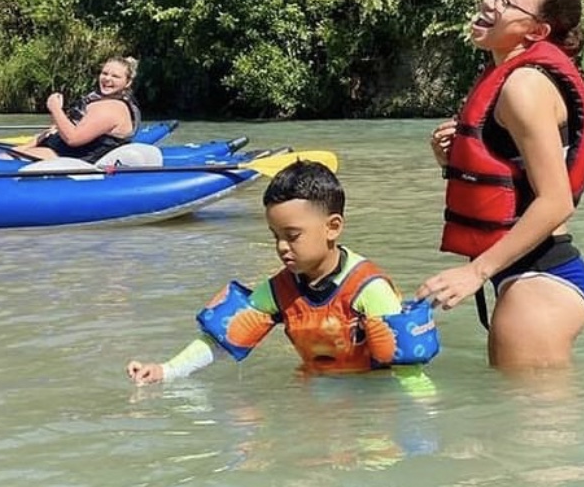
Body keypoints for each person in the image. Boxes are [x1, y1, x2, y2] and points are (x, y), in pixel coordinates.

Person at [418, 0, 584, 370]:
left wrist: (475, 273)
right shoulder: (506, 76)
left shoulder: (523, 88)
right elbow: (517, 184)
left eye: (506, 0)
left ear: (536, 33)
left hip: (540, 281)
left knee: (532, 428)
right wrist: (456, 162)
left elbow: (556, 201)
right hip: (529, 276)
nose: (488, 1)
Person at [127, 160, 439, 383]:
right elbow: (224, 339)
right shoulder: (279, 290)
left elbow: (409, 373)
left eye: (292, 235)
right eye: (275, 235)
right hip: (313, 390)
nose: (281, 247)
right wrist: (166, 371)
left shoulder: (369, 289)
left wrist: (422, 421)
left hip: (371, 398)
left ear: (333, 228)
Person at [15, 55, 141, 163]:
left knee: (8, 159)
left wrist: (55, 108)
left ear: (128, 82)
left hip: (70, 159)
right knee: (9, 154)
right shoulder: (99, 101)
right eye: (104, 73)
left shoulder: (112, 108)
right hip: (59, 150)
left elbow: (73, 139)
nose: (107, 79)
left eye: (115, 76)